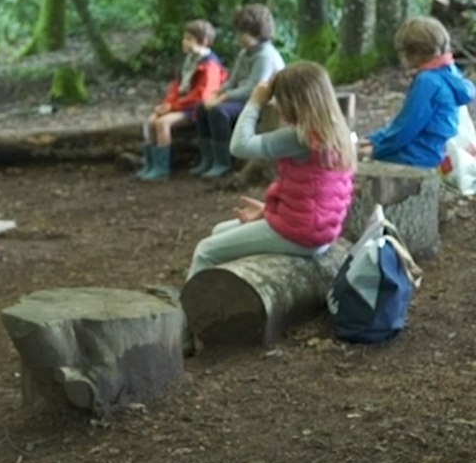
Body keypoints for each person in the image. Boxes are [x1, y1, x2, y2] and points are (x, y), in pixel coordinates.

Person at [186, 62, 356, 278]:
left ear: (293, 102)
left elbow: (240, 146)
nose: (275, 105)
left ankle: (190, 309)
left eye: (278, 99)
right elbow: (313, 194)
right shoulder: (335, 132)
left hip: (301, 234)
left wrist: (255, 102)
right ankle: (224, 295)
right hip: (318, 231)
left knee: (206, 251)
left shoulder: (300, 137)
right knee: (219, 231)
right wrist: (270, 211)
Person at [361, 17, 475, 168]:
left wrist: (377, 150)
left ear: (412, 53)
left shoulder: (427, 81)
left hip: (421, 155)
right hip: (435, 150)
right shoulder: (449, 72)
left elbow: (406, 127)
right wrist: (374, 139)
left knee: (360, 161)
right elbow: (403, 124)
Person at [191, 4, 286, 179]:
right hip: (241, 98)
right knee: (201, 108)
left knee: (219, 112)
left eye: (242, 33)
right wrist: (217, 94)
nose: (238, 37)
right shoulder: (245, 53)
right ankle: (208, 158)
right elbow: (232, 81)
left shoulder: (265, 56)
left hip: (260, 101)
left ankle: (224, 161)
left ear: (256, 32)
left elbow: (253, 88)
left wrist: (224, 98)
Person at [137, 20, 228, 181]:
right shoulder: (188, 61)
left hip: (193, 108)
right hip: (179, 104)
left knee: (161, 124)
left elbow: (202, 95)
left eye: (189, 39)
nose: (184, 42)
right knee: (151, 121)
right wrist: (167, 103)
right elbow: (176, 87)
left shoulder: (210, 65)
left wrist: (173, 107)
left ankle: (161, 168)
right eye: (184, 38)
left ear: (203, 42)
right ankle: (150, 163)